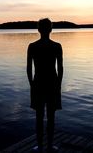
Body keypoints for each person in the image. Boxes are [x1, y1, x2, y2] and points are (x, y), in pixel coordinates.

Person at [27, 18, 63, 153]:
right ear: (51, 29)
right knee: (51, 118)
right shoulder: (56, 46)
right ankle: (49, 146)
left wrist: (31, 84)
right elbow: (61, 68)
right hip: (53, 83)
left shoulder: (32, 46)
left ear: (38, 29)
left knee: (39, 117)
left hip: (38, 84)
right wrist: (58, 84)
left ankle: (41, 146)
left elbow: (28, 68)